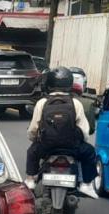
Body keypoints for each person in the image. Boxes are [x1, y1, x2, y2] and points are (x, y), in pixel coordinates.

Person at [25, 67, 98, 198]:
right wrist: (81, 143)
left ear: (49, 83)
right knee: (90, 152)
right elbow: (84, 130)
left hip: (46, 147)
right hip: (71, 147)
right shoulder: (76, 103)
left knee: (31, 152)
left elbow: (33, 129)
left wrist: (34, 140)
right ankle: (86, 185)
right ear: (70, 83)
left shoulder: (42, 103)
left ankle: (30, 180)